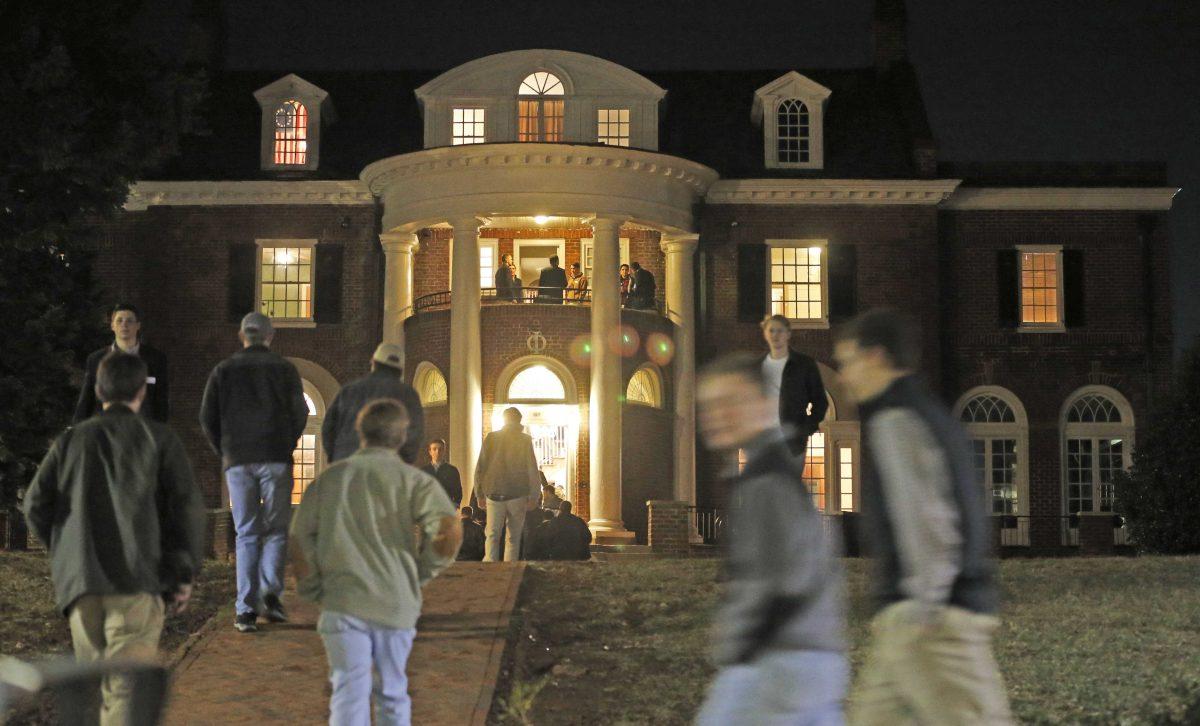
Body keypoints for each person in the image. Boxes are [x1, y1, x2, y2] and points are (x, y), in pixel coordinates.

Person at [833, 309, 1012, 725]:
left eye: (847, 361)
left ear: (875, 357)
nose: (843, 377)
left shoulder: (896, 419)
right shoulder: (924, 413)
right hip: (907, 622)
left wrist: (925, 605)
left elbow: (927, 516)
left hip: (932, 622)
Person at [25, 352, 203, 726]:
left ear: (97, 390)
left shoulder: (71, 441)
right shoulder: (159, 439)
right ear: (141, 392)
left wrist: (64, 551)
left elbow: (36, 504)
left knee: (90, 690)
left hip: (82, 583)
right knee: (125, 692)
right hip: (136, 581)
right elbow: (184, 510)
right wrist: (182, 573)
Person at [693, 351, 847, 725]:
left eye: (732, 402)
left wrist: (740, 640)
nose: (719, 415)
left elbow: (787, 578)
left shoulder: (766, 481)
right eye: (711, 406)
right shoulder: (772, 472)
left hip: (778, 663)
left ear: (764, 407)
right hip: (808, 659)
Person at [290, 398, 461, 726]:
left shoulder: (330, 479)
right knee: (392, 691)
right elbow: (448, 529)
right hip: (395, 599)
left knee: (348, 692)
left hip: (342, 601)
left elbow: (300, 538)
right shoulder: (414, 481)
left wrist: (312, 587)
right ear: (401, 437)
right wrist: (421, 572)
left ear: (361, 433)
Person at [199, 312, 308, 633]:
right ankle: (270, 594)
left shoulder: (224, 370)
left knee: (246, 533)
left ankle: (245, 609)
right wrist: (286, 441)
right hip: (275, 456)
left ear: (242, 336)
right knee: (275, 530)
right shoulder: (285, 369)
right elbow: (299, 412)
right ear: (270, 337)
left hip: (238, 459)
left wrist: (226, 450)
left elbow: (207, 417)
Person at [323, 342, 426, 465]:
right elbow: (414, 434)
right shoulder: (409, 395)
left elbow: (329, 428)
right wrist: (404, 463)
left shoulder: (349, 391)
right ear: (400, 370)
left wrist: (336, 458)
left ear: (374, 362)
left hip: (348, 465)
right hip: (389, 468)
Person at [74, 303, 170, 423]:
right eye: (119, 321)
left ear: (138, 326)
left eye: (129, 321)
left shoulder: (156, 359)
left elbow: (161, 401)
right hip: (105, 430)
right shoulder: (96, 359)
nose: (124, 325)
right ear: (112, 326)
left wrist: (158, 433)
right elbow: (86, 400)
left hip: (142, 431)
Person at [474, 406, 541, 562]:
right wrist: (534, 495)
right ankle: (509, 570)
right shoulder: (525, 440)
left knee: (492, 534)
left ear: (504, 419)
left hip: (494, 491)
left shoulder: (491, 438)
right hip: (518, 494)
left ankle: (490, 571)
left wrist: (479, 493)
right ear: (519, 420)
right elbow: (532, 468)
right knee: (513, 537)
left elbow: (481, 466)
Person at [761, 313, 829, 456]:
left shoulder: (804, 364)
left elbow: (820, 401)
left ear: (788, 334)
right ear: (765, 334)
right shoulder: (757, 367)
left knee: (789, 478)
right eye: (771, 330)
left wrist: (804, 430)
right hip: (763, 441)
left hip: (792, 442)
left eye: (780, 330)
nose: (775, 335)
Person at [420, 438, 462, 507]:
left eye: (440, 449)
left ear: (444, 451)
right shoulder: (423, 471)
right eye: (434, 449)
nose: (437, 452)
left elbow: (458, 491)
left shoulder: (452, 470)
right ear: (430, 452)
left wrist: (455, 506)